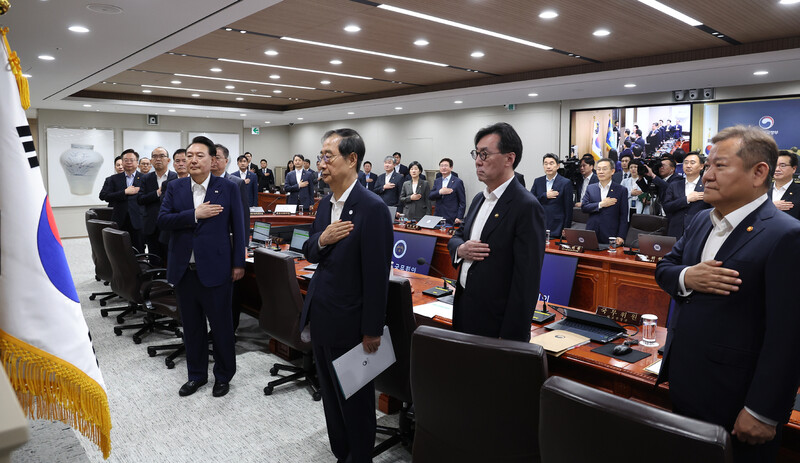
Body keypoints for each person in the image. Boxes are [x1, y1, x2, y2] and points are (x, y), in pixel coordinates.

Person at [655, 125, 800, 461]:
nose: (707, 175)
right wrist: (689, 276)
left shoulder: (786, 235)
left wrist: (763, 410)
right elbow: (665, 270)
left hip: (738, 400)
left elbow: (788, 336)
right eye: (707, 166)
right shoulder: (702, 220)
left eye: (719, 166)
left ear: (758, 172)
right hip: (685, 382)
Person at [300, 128, 392, 463]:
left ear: (352, 159)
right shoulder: (325, 204)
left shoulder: (372, 208)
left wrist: (372, 329)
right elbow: (309, 250)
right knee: (331, 400)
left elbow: (376, 275)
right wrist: (323, 239)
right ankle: (342, 455)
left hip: (353, 325)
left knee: (356, 404)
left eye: (328, 156)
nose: (321, 164)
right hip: (322, 316)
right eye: (320, 156)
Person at [157, 136, 245, 398]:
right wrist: (194, 214)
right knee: (192, 328)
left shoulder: (227, 187)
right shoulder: (175, 187)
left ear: (212, 160)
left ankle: (223, 376)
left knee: (221, 327)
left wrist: (238, 263)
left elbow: (238, 227)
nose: (193, 160)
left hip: (217, 269)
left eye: (200, 156)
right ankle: (196, 375)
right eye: (189, 155)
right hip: (184, 271)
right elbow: (162, 220)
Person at [447, 122, 545, 342]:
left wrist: (512, 338)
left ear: (509, 159)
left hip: (496, 323)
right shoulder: (479, 199)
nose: (478, 161)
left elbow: (526, 282)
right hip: (464, 309)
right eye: (476, 153)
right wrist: (461, 249)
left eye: (485, 154)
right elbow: (456, 238)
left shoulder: (526, 206)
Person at [99, 149, 145, 252]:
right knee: (119, 250)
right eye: (126, 160)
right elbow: (104, 196)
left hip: (139, 220)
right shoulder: (113, 179)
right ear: (122, 162)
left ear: (137, 162)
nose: (128, 162)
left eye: (131, 160)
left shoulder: (145, 178)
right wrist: (124, 192)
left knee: (139, 250)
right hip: (119, 220)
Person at [137, 147, 177, 259]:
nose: (158, 159)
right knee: (154, 257)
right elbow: (140, 199)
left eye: (161, 156)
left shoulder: (175, 177)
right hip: (151, 224)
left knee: (170, 257)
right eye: (154, 156)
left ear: (168, 160)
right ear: (151, 161)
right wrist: (157, 193)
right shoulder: (146, 178)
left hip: (170, 224)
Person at [662, 153, 711, 238]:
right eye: (686, 162)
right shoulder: (674, 185)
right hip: (676, 231)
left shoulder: (707, 186)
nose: (688, 166)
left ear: (701, 166)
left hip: (699, 231)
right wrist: (686, 199)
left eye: (692, 163)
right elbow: (666, 207)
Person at [581, 158, 628, 246]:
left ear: (612, 171)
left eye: (604, 169)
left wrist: (621, 236)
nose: (601, 172)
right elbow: (584, 207)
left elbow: (623, 216)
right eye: (598, 169)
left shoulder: (621, 190)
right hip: (592, 232)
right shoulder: (591, 188)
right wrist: (601, 204)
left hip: (611, 234)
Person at [532, 153, 573, 237]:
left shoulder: (565, 183)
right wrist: (545, 195)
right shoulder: (538, 181)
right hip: (539, 224)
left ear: (557, 166)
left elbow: (568, 209)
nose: (548, 166)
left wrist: (566, 228)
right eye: (545, 164)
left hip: (557, 226)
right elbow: (531, 201)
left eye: (551, 163)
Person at [212, 145, 250, 236]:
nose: (213, 161)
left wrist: (244, 245)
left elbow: (243, 216)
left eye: (217, 158)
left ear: (226, 161)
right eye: (210, 157)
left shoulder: (237, 183)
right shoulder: (202, 182)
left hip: (228, 236)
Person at [429, 157, 466, 225]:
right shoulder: (437, 181)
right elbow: (431, 196)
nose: (443, 168)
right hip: (437, 216)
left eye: (446, 166)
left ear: (451, 168)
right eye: (441, 166)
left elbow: (462, 202)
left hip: (452, 217)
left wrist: (459, 217)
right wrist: (440, 192)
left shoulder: (457, 182)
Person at [770, 150, 800, 220]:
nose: (777, 169)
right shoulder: (761, 190)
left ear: (794, 169)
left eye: (782, 166)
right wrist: (770, 207)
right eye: (774, 165)